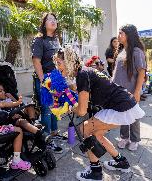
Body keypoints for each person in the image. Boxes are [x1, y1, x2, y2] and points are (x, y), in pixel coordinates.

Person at [53, 47, 145, 181]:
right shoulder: (85, 71)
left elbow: (82, 111)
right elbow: (85, 90)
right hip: (123, 104)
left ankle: (95, 172)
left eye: (59, 63)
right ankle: (121, 162)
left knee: (84, 129)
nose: (57, 67)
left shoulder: (82, 75)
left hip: (120, 107)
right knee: (96, 134)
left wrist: (68, 108)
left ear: (68, 61)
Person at [31, 13, 65, 154]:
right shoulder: (39, 40)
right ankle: (46, 139)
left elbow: (59, 59)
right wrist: (43, 80)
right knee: (46, 109)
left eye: (54, 19)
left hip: (56, 77)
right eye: (49, 19)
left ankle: (55, 132)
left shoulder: (56, 40)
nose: (53, 21)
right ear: (44, 23)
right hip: (46, 78)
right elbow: (36, 61)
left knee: (56, 107)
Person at [112, 24, 147, 151]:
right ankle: (124, 137)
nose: (119, 35)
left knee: (134, 116)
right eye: (119, 32)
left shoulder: (137, 52)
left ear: (129, 35)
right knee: (123, 114)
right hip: (120, 91)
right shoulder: (121, 51)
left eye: (121, 33)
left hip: (132, 91)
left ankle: (135, 139)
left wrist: (137, 92)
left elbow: (141, 72)